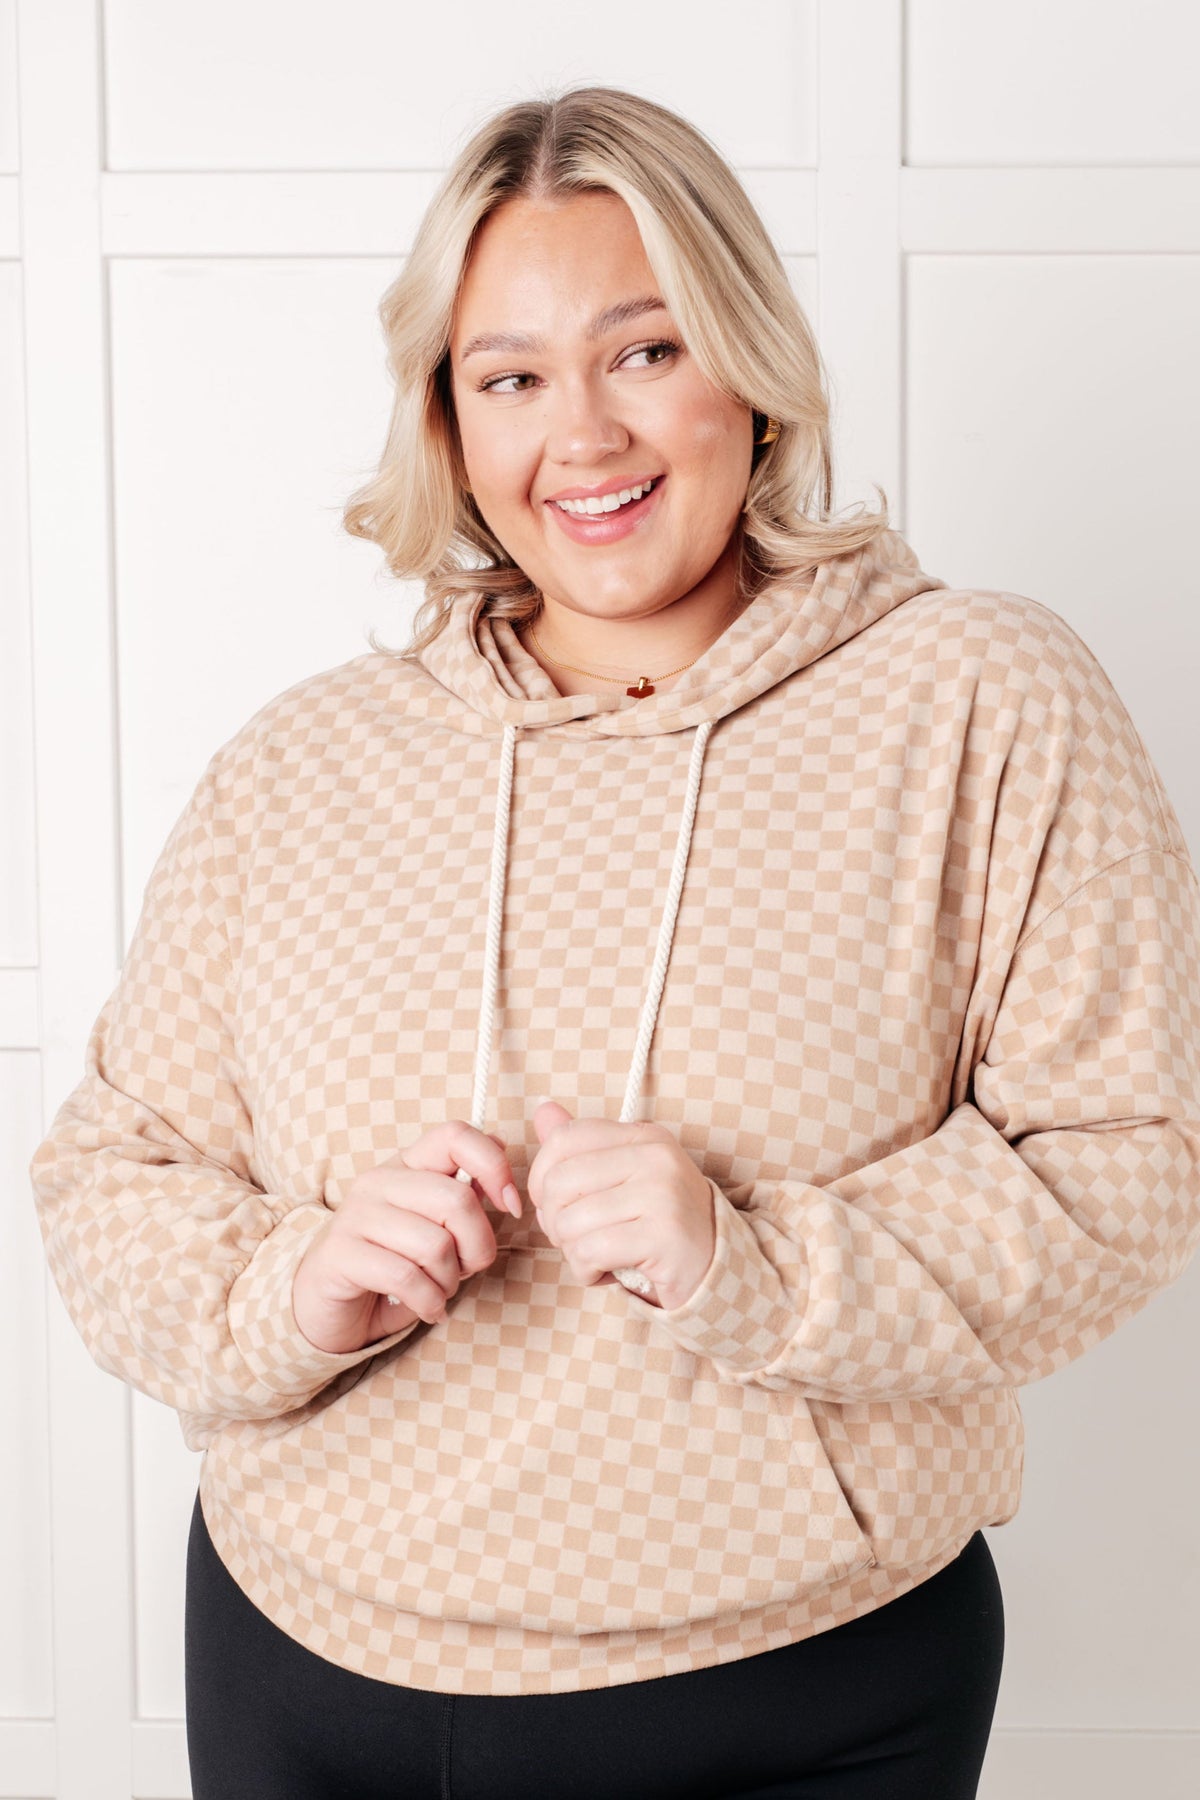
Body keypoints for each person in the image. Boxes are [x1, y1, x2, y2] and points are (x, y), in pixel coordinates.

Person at [28, 84, 1200, 1800]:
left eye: (645, 351)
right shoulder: (303, 763)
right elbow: (113, 1174)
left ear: (751, 366)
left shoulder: (974, 697)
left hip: (803, 1683)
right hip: (312, 1665)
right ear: (449, 424)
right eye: (508, 377)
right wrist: (302, 1286)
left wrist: (752, 1258)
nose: (581, 436)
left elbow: (1124, 1160)